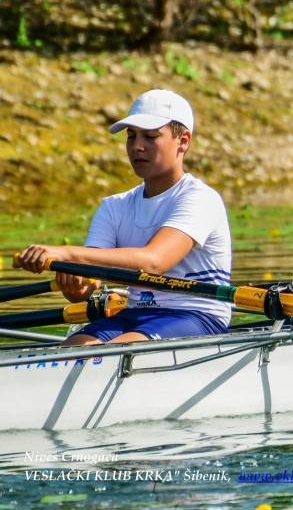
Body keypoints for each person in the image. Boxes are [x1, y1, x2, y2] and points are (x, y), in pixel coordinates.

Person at [17, 90, 233, 345]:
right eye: (131, 136)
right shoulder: (114, 207)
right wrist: (73, 280)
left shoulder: (200, 199)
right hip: (133, 314)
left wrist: (67, 254)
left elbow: (154, 262)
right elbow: (87, 287)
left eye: (150, 136)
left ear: (183, 141)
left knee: (112, 354)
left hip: (195, 315)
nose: (136, 146)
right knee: (69, 352)